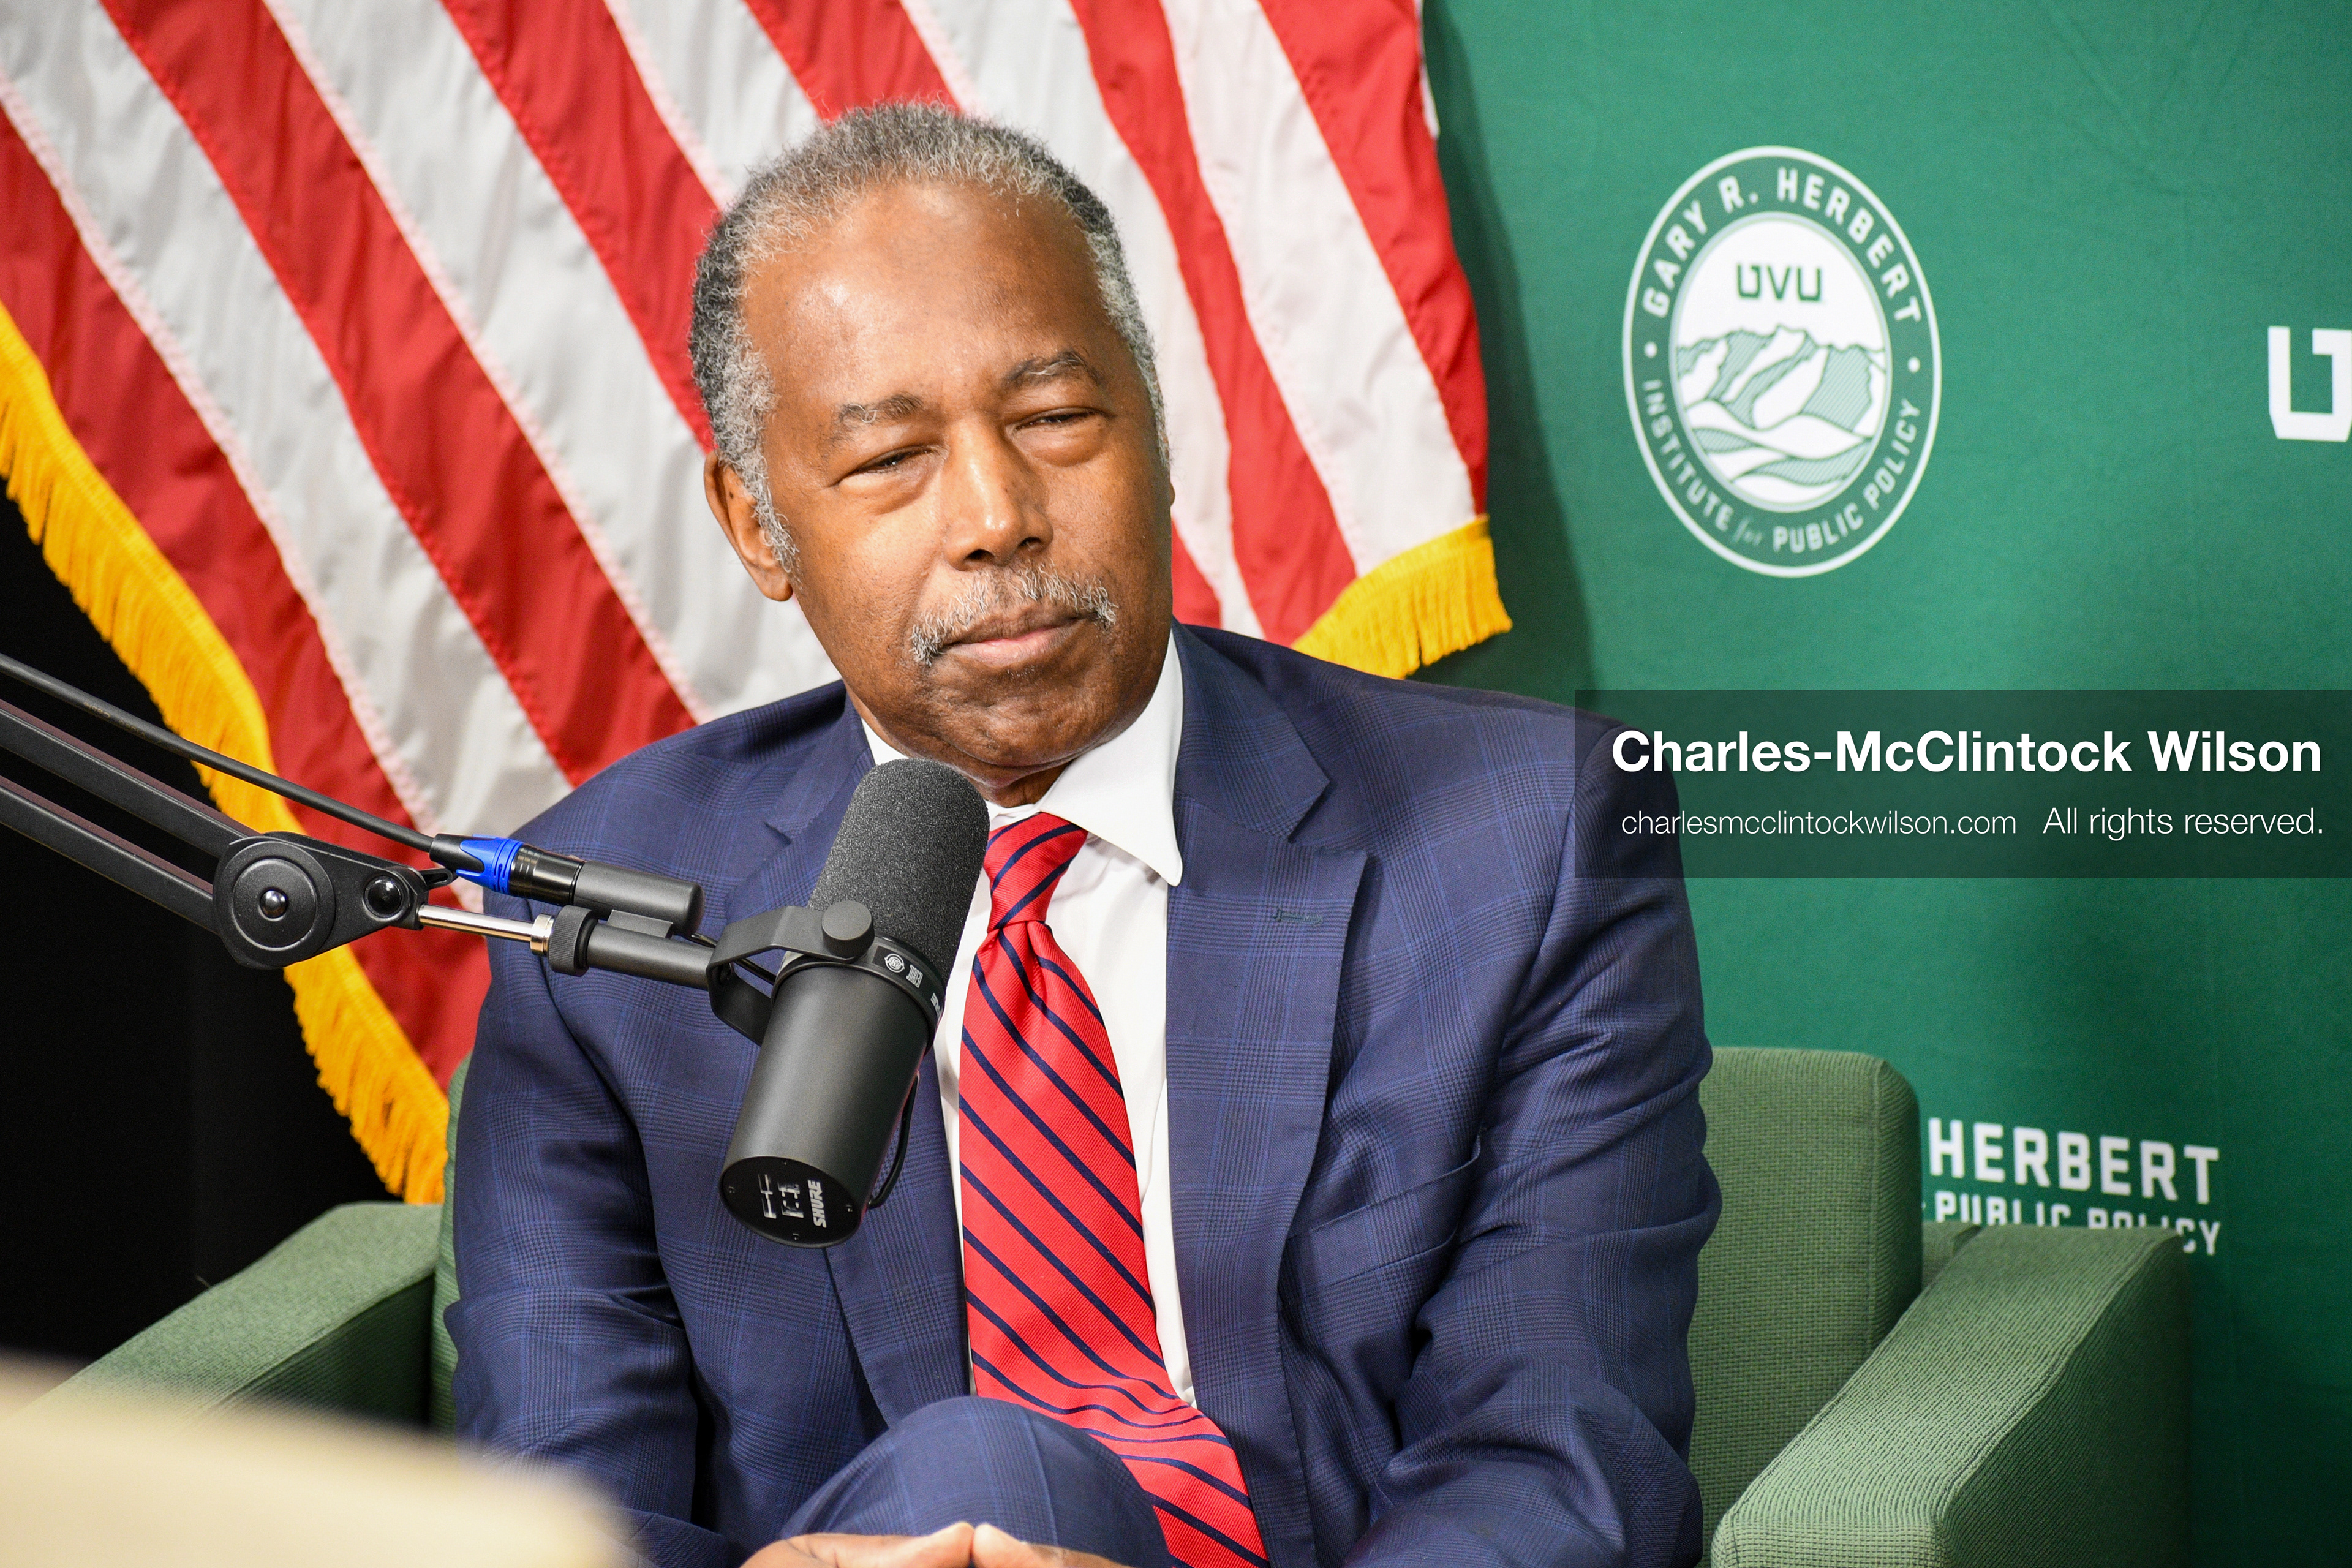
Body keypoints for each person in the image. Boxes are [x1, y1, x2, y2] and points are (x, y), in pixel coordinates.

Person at [450, 105, 1717, 1568]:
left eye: (1056, 419)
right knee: (988, 1471)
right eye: (889, 461)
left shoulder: (1523, 842)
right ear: (758, 524)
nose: (998, 515)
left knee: (999, 1467)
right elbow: (558, 1518)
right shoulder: (617, 927)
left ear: (1158, 429)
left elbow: (1558, 1469)